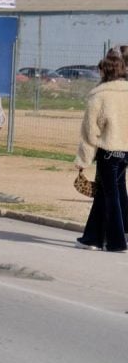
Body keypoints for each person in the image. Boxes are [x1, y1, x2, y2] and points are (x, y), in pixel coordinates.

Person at [74, 50, 128, 252]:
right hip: (125, 151)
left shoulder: (99, 96)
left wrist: (83, 159)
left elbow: (90, 132)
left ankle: (116, 242)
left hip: (108, 151)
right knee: (109, 193)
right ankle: (92, 238)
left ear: (103, 71)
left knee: (110, 195)